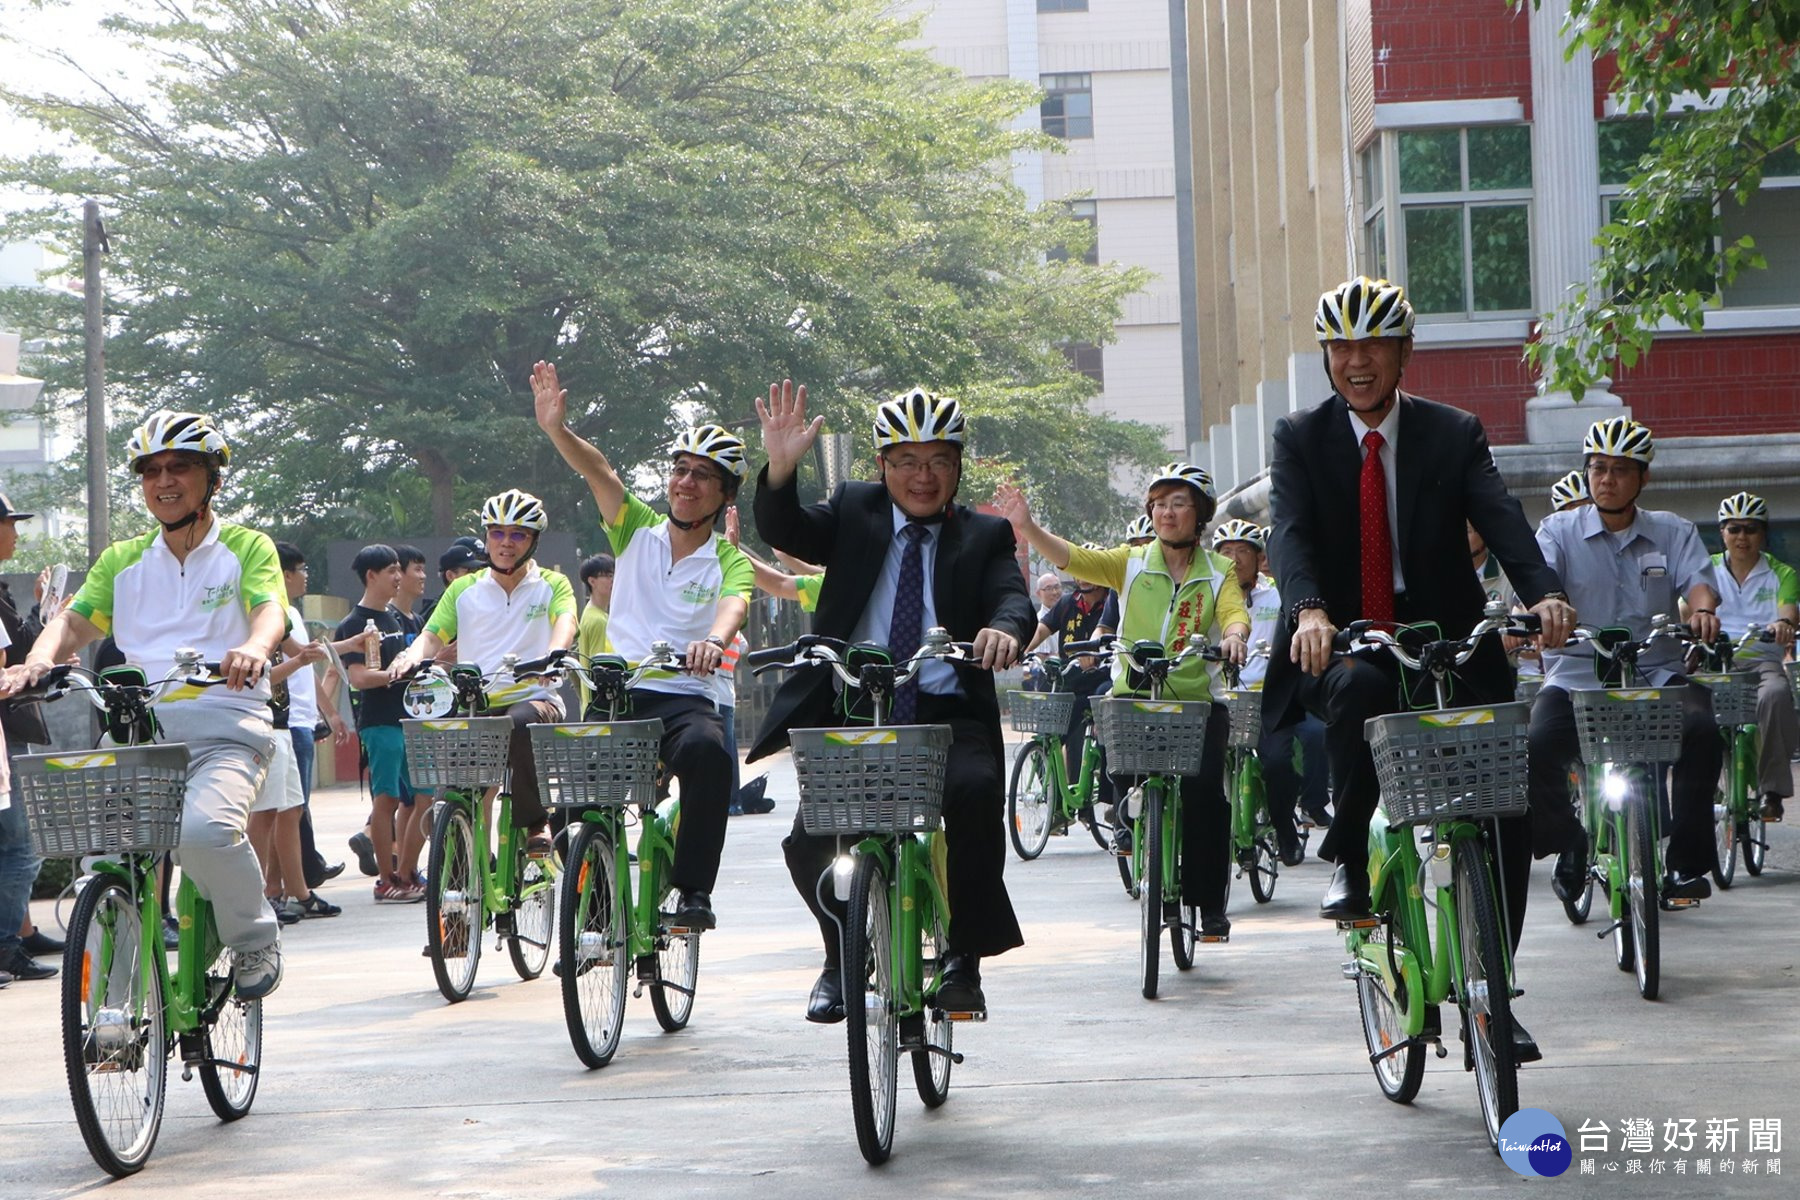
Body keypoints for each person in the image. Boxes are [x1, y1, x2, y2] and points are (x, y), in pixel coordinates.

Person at [1265, 278, 1571, 1059]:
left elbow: (1501, 519)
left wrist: (1545, 596)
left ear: (1403, 352)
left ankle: (1493, 986)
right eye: (1342, 348)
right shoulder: (1300, 436)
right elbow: (1290, 535)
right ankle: (1351, 868)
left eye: (1373, 346)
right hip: (1342, 636)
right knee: (1362, 689)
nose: (1357, 362)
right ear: (1328, 357)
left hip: (1446, 638)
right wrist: (1307, 611)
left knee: (1500, 810)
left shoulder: (1453, 431)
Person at [751, 382, 1031, 1021]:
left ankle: (963, 959)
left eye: (939, 461)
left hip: (945, 713)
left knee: (974, 792)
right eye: (906, 461)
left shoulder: (984, 535)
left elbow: (1012, 596)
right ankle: (841, 957)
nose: (923, 477)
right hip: (853, 708)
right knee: (809, 840)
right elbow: (785, 527)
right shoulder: (855, 509)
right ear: (882, 466)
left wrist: (1005, 629)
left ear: (959, 465)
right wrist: (782, 467)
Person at [1, 411, 289, 999]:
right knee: (110, 864)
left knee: (204, 834)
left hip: (226, 725)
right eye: (151, 470)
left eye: (180, 466)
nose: (164, 480)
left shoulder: (246, 546)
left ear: (211, 477)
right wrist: (38, 658)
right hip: (135, 731)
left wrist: (256, 646)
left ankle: (253, 936)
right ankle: (118, 1014)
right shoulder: (122, 559)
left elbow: (268, 609)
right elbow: (72, 622)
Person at [529, 361, 751, 932]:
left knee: (709, 755)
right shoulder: (635, 530)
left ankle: (694, 889)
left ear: (724, 494)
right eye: (681, 470)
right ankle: (599, 912)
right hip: (618, 693)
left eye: (704, 475)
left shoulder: (726, 558)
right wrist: (557, 430)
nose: (687, 482)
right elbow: (600, 472)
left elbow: (735, 604)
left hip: (684, 697)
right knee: (574, 801)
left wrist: (713, 640)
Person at [996, 464, 1249, 940]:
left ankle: (1209, 906)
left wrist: (1234, 637)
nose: (1166, 512)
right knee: (1120, 770)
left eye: (1178, 503)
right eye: (1158, 503)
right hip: (1133, 697)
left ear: (1200, 514)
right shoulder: (1129, 562)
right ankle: (1134, 824)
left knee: (1207, 800)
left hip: (1196, 702)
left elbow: (1234, 614)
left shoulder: (1220, 571)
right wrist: (1028, 527)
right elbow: (1073, 558)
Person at [1529, 417, 1722, 905]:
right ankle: (1568, 840)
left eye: (1619, 469)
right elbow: (1538, 585)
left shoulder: (1672, 532)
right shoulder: (1557, 530)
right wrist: (1541, 612)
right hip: (1577, 674)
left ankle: (1684, 867)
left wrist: (1701, 611)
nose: (1607, 479)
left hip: (1655, 673)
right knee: (1534, 745)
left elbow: (1698, 583)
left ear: (1643, 478)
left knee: (1702, 729)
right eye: (1598, 468)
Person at [389, 490, 578, 858]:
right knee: (456, 794)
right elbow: (432, 636)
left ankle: (535, 822)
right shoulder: (464, 589)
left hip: (534, 700)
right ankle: (458, 883)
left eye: (518, 534)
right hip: (476, 703)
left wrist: (555, 652)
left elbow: (565, 620)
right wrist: (409, 657)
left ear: (533, 540)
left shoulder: (552, 585)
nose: (506, 543)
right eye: (497, 533)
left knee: (519, 723)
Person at [1211, 518, 1316, 866]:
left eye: (1243, 551)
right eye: (1227, 552)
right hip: (1222, 699)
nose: (1235, 559)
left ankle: (1284, 825)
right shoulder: (1208, 596)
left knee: (1277, 763)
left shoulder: (1279, 594)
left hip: (1269, 700)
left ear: (1259, 558)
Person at [334, 545, 423, 903]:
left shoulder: (396, 620)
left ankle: (407, 872)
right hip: (379, 722)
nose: (398, 577)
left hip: (408, 720)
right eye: (391, 571)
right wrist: (392, 674)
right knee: (385, 800)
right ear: (371, 576)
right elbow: (357, 677)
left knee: (422, 798)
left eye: (400, 569)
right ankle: (386, 880)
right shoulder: (354, 624)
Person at [1704, 492, 1800, 822]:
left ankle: (1771, 791)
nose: (1742, 537)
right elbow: (1688, 608)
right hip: (1714, 661)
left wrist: (1784, 624)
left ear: (1763, 534)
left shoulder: (1782, 573)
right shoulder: (1707, 570)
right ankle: (1705, 782)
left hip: (1762, 661)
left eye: (1750, 529)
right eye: (1734, 529)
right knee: (1685, 705)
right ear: (1722, 532)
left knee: (1775, 696)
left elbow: (1788, 611)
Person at [0, 493, 60, 983]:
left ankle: (16, 935)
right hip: (5, 731)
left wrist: (43, 615)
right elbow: (9, 667)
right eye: (9, 523)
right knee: (24, 843)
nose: (15, 533)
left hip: (9, 729)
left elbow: (19, 651)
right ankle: (5, 944)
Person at [273, 542, 350, 892]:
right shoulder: (273, 617)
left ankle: (298, 881)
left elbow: (307, 665)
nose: (306, 577)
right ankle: (284, 888)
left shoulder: (293, 616)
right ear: (285, 574)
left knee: (294, 810)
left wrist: (330, 713)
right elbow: (301, 661)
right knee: (285, 812)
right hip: (287, 725)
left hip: (303, 722)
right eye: (302, 570)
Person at [1024, 545, 1116, 833]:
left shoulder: (1114, 602)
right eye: (1079, 570)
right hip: (1071, 680)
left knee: (1107, 720)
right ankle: (1058, 805)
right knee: (1046, 735)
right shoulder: (1067, 603)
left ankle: (1111, 800)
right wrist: (1019, 649)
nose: (1084, 577)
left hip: (1103, 679)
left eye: (1090, 569)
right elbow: (1041, 630)